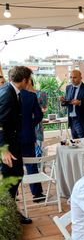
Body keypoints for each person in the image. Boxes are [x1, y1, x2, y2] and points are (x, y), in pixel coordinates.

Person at [0, 67, 33, 224]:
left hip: (13, 143)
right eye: (29, 79)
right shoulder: (7, 94)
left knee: (17, 175)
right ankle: (7, 218)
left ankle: (11, 212)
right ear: (25, 80)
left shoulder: (11, 90)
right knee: (11, 179)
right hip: (6, 146)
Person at [19, 81, 44, 202]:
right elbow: (39, 115)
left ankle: (13, 196)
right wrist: (28, 125)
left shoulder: (3, 94)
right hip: (27, 135)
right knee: (31, 165)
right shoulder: (30, 96)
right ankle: (37, 194)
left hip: (9, 138)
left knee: (10, 167)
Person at [61, 69, 84, 139]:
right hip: (71, 120)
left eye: (75, 77)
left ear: (81, 77)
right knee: (75, 144)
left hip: (83, 122)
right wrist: (63, 101)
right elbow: (67, 102)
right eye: (71, 77)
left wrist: (80, 103)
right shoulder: (68, 88)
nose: (72, 79)